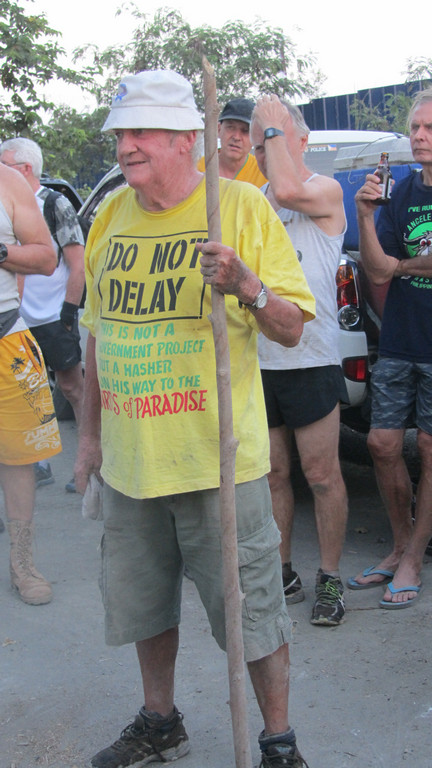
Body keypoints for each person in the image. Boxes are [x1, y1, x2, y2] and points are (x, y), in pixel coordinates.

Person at [75, 69, 316, 768]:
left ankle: (278, 741)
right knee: (144, 605)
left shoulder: (238, 206)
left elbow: (292, 328)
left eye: (141, 132)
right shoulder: (110, 215)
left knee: (253, 612)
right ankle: (161, 722)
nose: (125, 145)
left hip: (218, 460)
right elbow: (96, 334)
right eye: (121, 133)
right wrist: (88, 436)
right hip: (131, 462)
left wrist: (244, 284)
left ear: (188, 138)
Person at [250, 96, 349, 627]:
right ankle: (281, 569)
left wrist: (272, 126)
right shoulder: (252, 201)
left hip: (311, 357)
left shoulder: (323, 190)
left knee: (322, 474)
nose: (265, 150)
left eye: (276, 138)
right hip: (260, 358)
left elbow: (287, 188)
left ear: (302, 142)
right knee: (273, 473)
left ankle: (330, 577)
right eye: (259, 143)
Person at [347, 87, 432, 609]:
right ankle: (400, 545)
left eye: (430, 128)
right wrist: (363, 213)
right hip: (401, 340)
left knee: (431, 449)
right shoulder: (400, 195)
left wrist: (401, 264)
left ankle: (414, 555)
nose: (420, 136)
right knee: (381, 444)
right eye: (416, 127)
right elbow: (378, 269)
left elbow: (394, 265)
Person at [0, 137, 85, 493]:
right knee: (29, 397)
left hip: (52, 316)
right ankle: (39, 464)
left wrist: (68, 312)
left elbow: (77, 262)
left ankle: (87, 463)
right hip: (16, 319)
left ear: (25, 168)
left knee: (71, 388)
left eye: (5, 164)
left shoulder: (55, 203)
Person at [0, 161, 61, 605]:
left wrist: (1, 252)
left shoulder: (8, 180)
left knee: (19, 457)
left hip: (7, 337)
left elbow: (46, 256)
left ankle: (22, 563)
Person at [197, 97, 267, 186]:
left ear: (255, 136)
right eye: (230, 128)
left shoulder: (262, 173)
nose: (236, 137)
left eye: (245, 131)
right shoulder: (199, 168)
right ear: (218, 129)